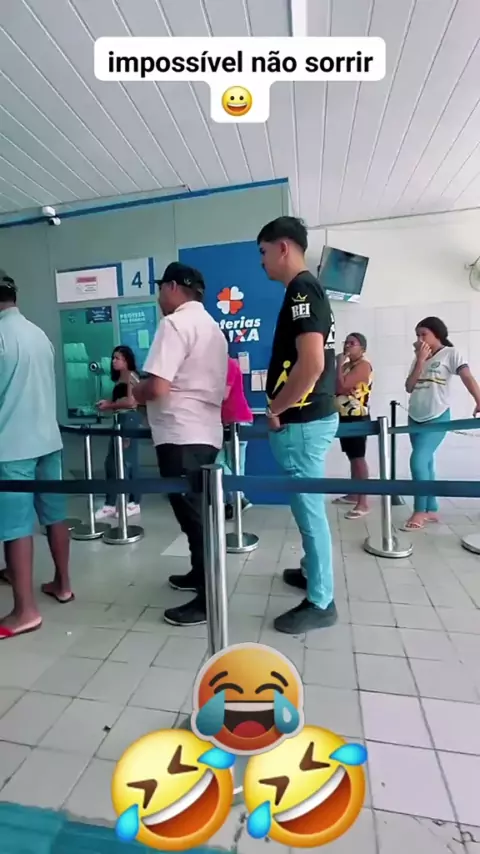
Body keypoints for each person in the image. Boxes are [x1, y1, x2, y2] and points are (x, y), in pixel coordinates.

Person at [133, 262, 228, 627]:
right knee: (197, 515)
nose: (159, 296)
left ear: (172, 287)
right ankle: (198, 575)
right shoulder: (213, 329)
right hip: (206, 433)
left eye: (161, 288)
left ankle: (207, 599)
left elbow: (158, 387)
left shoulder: (174, 324)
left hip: (179, 435)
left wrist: (134, 393)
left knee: (194, 518)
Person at [258, 217, 338, 634]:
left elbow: (312, 364)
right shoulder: (306, 290)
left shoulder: (302, 290)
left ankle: (321, 601)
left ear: (283, 247)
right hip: (308, 419)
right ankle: (311, 571)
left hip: (303, 422)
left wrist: (277, 408)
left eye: (264, 252)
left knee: (310, 513)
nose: (262, 261)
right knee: (308, 508)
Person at [0, 270, 73, 639]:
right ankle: (63, 584)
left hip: (12, 446)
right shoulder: (38, 334)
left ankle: (25, 611)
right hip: (48, 441)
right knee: (54, 516)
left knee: (15, 528)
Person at [404, 316, 480, 531]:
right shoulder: (419, 358)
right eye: (417, 335)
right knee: (426, 462)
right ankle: (431, 507)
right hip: (414, 416)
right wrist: (420, 360)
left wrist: (479, 400)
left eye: (424, 334)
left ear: (437, 334)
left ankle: (419, 510)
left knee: (418, 460)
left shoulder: (450, 353)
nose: (420, 339)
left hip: (437, 416)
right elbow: (409, 387)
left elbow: (467, 377)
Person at [95, 345, 143, 520]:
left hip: (128, 419)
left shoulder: (131, 377)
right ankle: (111, 502)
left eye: (118, 358)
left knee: (127, 462)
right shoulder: (120, 378)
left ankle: (134, 501)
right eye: (113, 358)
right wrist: (108, 403)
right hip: (120, 419)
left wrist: (110, 405)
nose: (114, 361)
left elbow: (131, 402)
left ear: (127, 360)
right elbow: (122, 399)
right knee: (112, 462)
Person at [333, 332, 373, 518]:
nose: (347, 346)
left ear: (362, 348)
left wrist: (338, 365)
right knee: (351, 456)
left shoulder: (363, 365)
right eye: (346, 342)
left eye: (352, 343)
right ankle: (354, 494)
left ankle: (363, 502)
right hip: (344, 416)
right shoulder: (347, 366)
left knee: (358, 458)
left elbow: (341, 387)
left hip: (357, 416)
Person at [217, 331, 253, 519]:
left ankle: (238, 500)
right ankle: (237, 501)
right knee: (227, 464)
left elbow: (223, 394)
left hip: (237, 420)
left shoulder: (228, 364)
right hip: (226, 422)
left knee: (229, 464)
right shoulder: (218, 365)